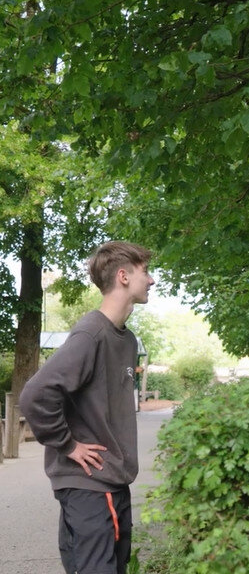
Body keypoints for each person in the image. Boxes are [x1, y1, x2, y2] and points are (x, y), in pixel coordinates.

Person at [20, 241, 155, 574]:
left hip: (110, 482)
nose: (151, 280)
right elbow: (35, 394)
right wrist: (68, 445)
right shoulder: (91, 334)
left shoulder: (124, 338)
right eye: (145, 272)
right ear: (123, 276)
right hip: (91, 486)